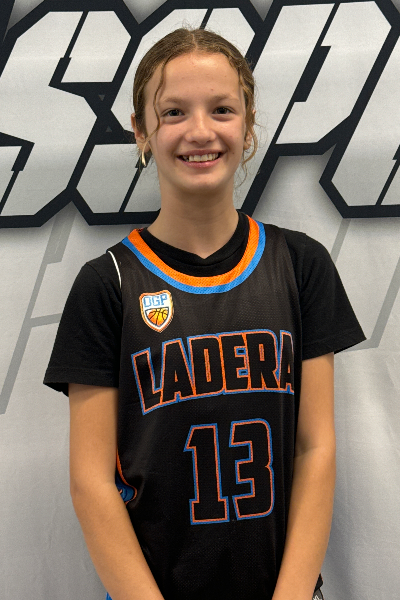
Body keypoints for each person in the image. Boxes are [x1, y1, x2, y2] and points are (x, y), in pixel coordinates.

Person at [44, 27, 365, 600]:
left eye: (222, 109)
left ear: (248, 124)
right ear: (141, 130)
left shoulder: (300, 265)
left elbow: (315, 449)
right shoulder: (107, 284)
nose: (200, 131)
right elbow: (91, 483)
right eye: (173, 112)